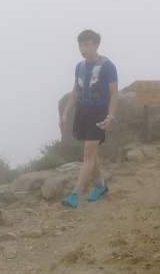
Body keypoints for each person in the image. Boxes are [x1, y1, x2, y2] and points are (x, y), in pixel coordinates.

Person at [59, 30, 119, 208]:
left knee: (88, 154)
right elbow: (76, 91)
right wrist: (65, 114)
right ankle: (100, 186)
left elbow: (114, 93)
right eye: (80, 45)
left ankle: (75, 194)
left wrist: (111, 115)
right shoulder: (80, 67)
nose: (82, 49)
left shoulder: (108, 66)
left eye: (86, 45)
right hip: (83, 110)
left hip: (99, 110)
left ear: (96, 45)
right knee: (91, 152)